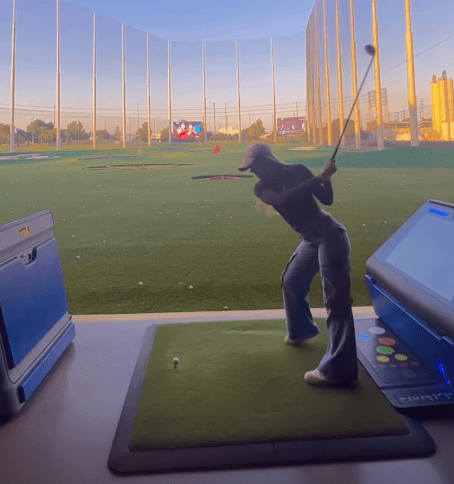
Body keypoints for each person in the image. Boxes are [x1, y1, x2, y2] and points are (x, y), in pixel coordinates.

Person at [238, 143, 358, 387]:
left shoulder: (298, 170)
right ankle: (301, 330)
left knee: (336, 300)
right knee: (291, 282)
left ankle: (338, 370)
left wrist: (327, 179)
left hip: (330, 235)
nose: (253, 172)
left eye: (255, 166)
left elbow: (328, 199)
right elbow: (283, 198)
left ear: (267, 160)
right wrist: (318, 178)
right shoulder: (261, 188)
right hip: (310, 240)